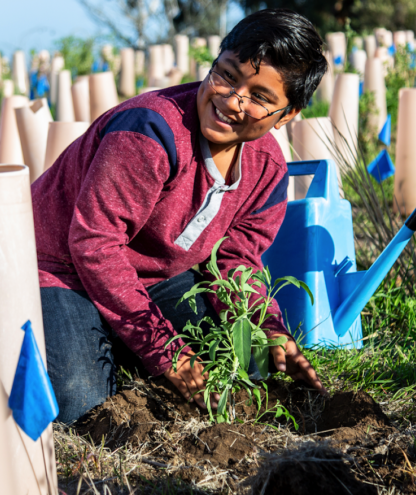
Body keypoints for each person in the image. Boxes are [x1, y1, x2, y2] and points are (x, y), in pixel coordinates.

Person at [32, 8, 329, 423]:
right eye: (226, 75)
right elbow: (94, 245)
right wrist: (167, 354)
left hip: (155, 278)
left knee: (237, 367)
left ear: (289, 113)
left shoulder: (267, 169)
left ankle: (118, 340)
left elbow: (237, 260)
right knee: (86, 406)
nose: (231, 100)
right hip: (60, 268)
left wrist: (269, 329)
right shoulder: (150, 134)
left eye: (261, 97)